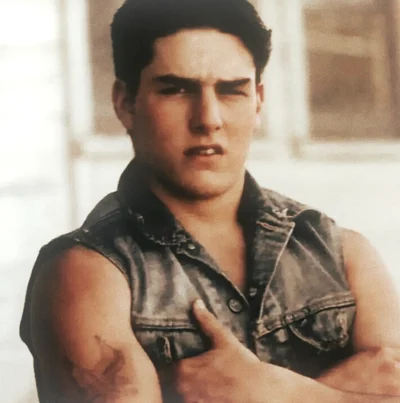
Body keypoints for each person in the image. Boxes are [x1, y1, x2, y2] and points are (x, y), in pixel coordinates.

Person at [20, 0, 400, 402]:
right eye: (176, 90)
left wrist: (278, 393)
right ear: (125, 103)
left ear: (258, 102)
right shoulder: (82, 274)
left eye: (231, 90)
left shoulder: (342, 253)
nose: (208, 119)